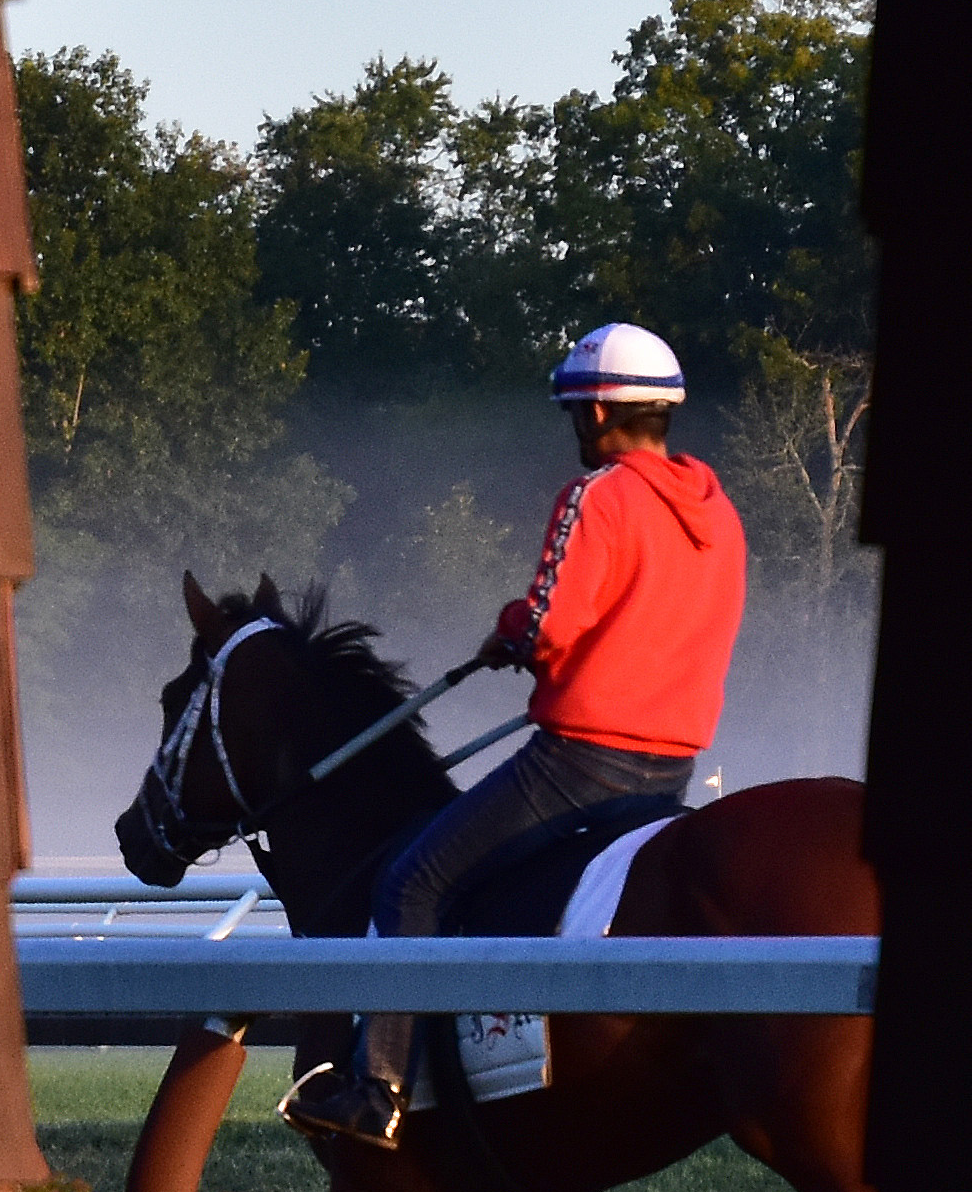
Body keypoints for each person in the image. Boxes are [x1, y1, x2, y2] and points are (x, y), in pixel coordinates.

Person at [284, 321, 747, 1149]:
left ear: (602, 412)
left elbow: (548, 621)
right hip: (671, 771)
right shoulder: (720, 516)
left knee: (411, 879)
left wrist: (512, 634)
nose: (577, 428)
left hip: (580, 763)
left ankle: (379, 1090)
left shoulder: (596, 497)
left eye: (579, 411)